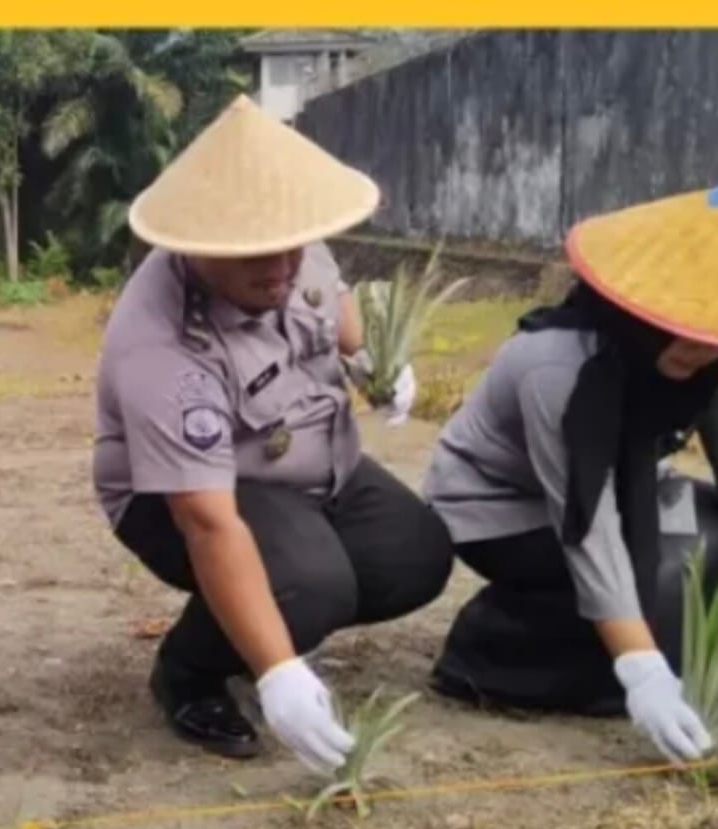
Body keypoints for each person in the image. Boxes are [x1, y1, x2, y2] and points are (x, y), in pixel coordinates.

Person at [94, 95, 454, 773]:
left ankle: (273, 614)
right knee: (308, 584)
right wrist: (277, 672)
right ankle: (191, 670)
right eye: (257, 259)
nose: (281, 268)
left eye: (292, 249)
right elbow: (206, 523)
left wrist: (374, 358)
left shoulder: (288, 247)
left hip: (315, 468)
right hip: (195, 492)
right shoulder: (162, 346)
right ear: (197, 248)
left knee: (415, 555)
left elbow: (331, 305)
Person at [425, 185, 718, 765]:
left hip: (623, 488)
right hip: (500, 509)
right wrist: (641, 670)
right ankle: (490, 651)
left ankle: (610, 638)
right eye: (680, 337)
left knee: (708, 533)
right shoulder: (559, 368)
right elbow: (587, 521)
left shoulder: (705, 350)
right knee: (651, 592)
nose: (695, 349)